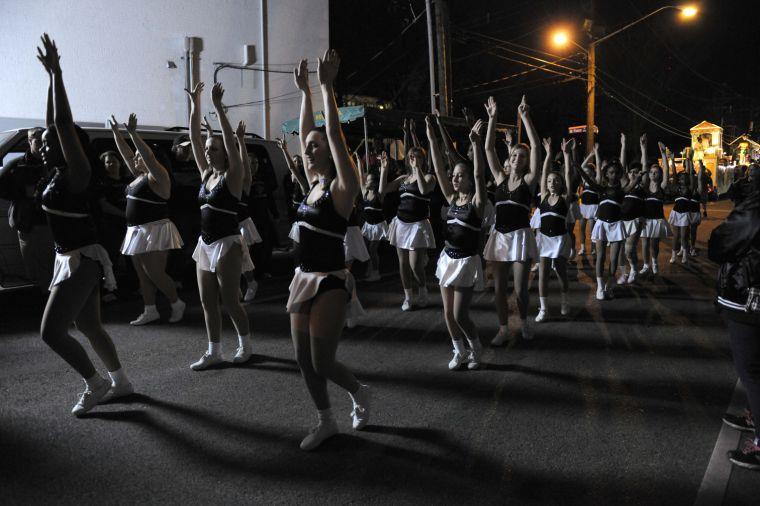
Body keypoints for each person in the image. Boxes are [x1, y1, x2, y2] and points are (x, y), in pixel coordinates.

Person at [36, 34, 132, 415]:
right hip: (69, 257)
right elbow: (52, 123)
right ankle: (122, 382)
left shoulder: (78, 173)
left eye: (49, 142)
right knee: (90, 326)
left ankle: (95, 383)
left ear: (67, 144)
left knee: (50, 332)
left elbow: (61, 123)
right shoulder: (59, 173)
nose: (43, 145)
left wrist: (59, 74)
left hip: (81, 259)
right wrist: (48, 80)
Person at [289, 52, 369, 451]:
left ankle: (358, 391)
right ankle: (326, 422)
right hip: (302, 278)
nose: (309, 148)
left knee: (322, 362)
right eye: (306, 146)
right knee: (303, 361)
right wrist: (303, 92)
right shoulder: (312, 184)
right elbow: (309, 131)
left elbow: (332, 135)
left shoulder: (341, 190)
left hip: (331, 282)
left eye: (314, 146)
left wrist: (325, 88)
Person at [185, 81, 253, 369]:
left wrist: (218, 108)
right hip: (205, 243)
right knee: (206, 301)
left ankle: (245, 344)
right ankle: (214, 351)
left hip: (227, 243)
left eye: (215, 149)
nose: (209, 152)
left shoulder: (233, 177)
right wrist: (194, 105)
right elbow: (194, 139)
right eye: (208, 149)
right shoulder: (205, 174)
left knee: (230, 300)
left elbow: (227, 140)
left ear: (225, 153)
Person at [109, 114, 185, 325]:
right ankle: (150, 309)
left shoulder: (158, 176)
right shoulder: (139, 176)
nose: (135, 158)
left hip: (155, 229)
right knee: (142, 275)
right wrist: (116, 133)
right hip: (137, 230)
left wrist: (133, 133)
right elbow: (126, 155)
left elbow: (149, 157)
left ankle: (176, 303)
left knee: (154, 272)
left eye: (139, 156)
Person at [708, 175, 760, 470]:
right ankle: (754, 412)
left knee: (750, 369)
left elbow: (719, 244)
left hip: (749, 295)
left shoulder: (754, 208)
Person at [428, 116, 486, 370]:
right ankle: (459, 350)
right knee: (447, 313)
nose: (455, 178)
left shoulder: (477, 204)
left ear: (470, 181)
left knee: (461, 314)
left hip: (466, 261)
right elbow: (440, 170)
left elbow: (479, 173)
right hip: (448, 258)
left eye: (461, 175)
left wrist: (475, 145)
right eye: (455, 175)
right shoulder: (451, 199)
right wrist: (431, 138)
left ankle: (476, 349)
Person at [483, 95, 540, 343]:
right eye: (515, 155)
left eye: (522, 156)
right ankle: (503, 328)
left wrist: (526, 117)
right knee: (498, 289)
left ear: (526, 162)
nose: (518, 159)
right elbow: (487, 149)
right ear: (510, 159)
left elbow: (536, 147)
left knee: (519, 289)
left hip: (520, 236)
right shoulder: (499, 179)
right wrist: (492, 118)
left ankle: (525, 322)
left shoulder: (528, 182)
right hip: (499, 236)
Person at [576, 136, 640, 300]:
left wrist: (638, 178)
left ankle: (609, 285)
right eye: (611, 172)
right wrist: (577, 166)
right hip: (602, 225)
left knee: (614, 258)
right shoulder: (601, 188)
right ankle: (599, 287)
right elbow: (589, 179)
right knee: (600, 256)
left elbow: (631, 183)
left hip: (617, 225)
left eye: (617, 172)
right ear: (606, 173)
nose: (614, 174)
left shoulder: (623, 189)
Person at [383, 125, 437, 311]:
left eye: (419, 157)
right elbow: (383, 190)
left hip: (418, 224)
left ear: (423, 159)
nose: (415, 160)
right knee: (403, 264)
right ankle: (408, 297)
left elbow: (423, 190)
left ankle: (422, 288)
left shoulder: (429, 177)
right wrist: (384, 170)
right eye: (412, 157)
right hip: (401, 222)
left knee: (415, 266)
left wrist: (418, 170)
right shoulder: (403, 178)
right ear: (408, 159)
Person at [0, 127, 55, 292]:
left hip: (52, 223)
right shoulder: (17, 165)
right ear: (29, 142)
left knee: (50, 266)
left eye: (45, 141)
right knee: (34, 268)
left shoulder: (54, 163)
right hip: (28, 223)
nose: (41, 145)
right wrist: (23, 195)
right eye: (37, 141)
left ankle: (53, 303)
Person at [534, 137, 574, 322]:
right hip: (544, 239)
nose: (552, 183)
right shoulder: (542, 198)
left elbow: (568, 176)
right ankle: (543, 309)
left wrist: (566, 155)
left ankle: (565, 300)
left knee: (560, 271)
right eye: (550, 181)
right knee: (542, 273)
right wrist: (548, 154)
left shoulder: (564, 199)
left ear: (560, 184)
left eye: (555, 180)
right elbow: (542, 174)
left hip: (559, 239)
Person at [638, 141, 672, 277]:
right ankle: (646, 265)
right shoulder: (645, 188)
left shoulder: (662, 187)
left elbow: (667, 171)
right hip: (646, 220)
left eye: (656, 172)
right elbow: (643, 166)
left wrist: (663, 154)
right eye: (651, 172)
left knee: (654, 245)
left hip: (657, 220)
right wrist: (643, 148)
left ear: (659, 174)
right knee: (644, 244)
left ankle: (654, 262)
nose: (653, 174)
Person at [617, 135, 647, 284]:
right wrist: (623, 144)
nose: (633, 173)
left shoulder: (641, 186)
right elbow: (621, 166)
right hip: (621, 221)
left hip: (636, 220)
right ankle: (624, 273)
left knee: (629, 249)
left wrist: (643, 148)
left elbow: (644, 168)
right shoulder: (624, 184)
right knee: (620, 251)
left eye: (637, 172)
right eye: (631, 171)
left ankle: (634, 268)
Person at [667, 149, 701, 265]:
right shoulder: (676, 187)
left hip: (685, 214)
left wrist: (690, 160)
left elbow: (691, 175)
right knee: (676, 236)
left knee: (684, 236)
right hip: (676, 213)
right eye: (681, 178)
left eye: (684, 177)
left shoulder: (690, 188)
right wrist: (671, 159)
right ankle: (673, 255)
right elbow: (675, 175)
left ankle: (685, 255)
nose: (682, 179)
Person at [358, 153, 389, 281]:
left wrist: (384, 167)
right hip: (368, 225)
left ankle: (376, 273)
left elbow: (383, 179)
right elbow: (360, 176)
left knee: (372, 249)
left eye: (369, 180)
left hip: (378, 226)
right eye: (367, 179)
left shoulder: (379, 195)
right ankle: (370, 266)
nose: (366, 181)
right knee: (365, 248)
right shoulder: (365, 193)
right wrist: (359, 162)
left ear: (375, 183)